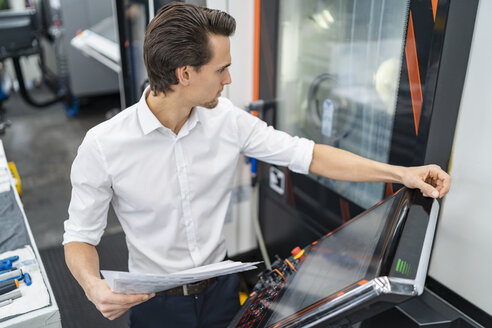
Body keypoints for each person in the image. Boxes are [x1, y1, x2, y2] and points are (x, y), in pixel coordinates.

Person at [63, 2, 451, 328]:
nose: (229, 79)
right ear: (185, 74)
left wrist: (401, 174)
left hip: (222, 292)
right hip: (154, 305)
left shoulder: (226, 120)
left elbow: (309, 154)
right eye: (220, 70)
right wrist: (92, 285)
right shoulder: (104, 145)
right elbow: (79, 237)